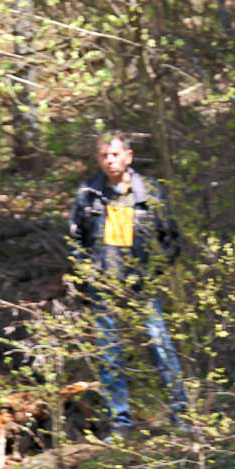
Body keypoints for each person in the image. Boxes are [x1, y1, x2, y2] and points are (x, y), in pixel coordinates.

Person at [67, 132, 188, 434]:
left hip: (142, 285)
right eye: (104, 155)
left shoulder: (148, 191)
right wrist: (88, 277)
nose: (110, 160)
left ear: (128, 156)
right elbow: (76, 241)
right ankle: (120, 423)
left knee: (160, 345)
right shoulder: (88, 194)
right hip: (104, 287)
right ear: (98, 159)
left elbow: (171, 238)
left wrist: (152, 272)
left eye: (115, 154)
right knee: (109, 353)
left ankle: (182, 415)